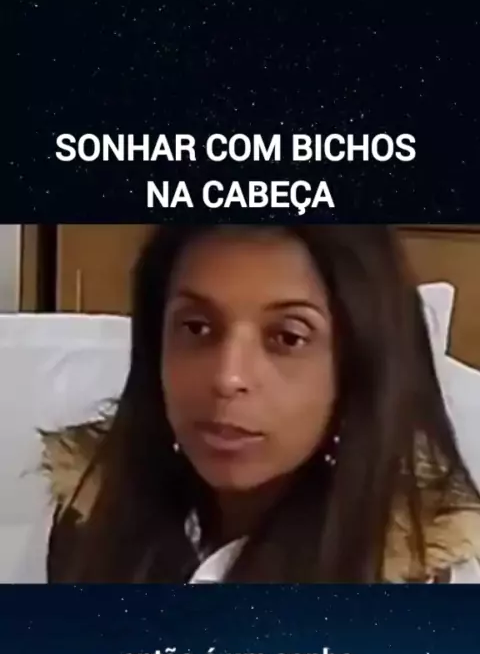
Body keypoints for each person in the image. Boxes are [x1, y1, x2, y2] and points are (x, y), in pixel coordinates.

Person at [42, 225, 480, 584]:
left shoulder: (417, 576)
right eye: (196, 327)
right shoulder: (90, 517)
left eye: (287, 337)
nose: (227, 377)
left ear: (359, 365)